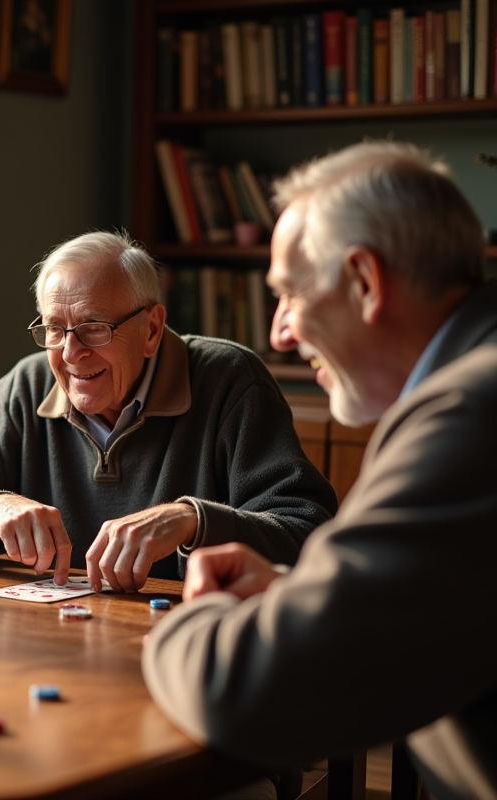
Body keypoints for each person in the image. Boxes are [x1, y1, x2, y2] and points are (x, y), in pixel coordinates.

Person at [142, 141, 497, 800]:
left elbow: (245, 694)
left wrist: (181, 623)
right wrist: (290, 593)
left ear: (365, 282)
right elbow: (434, 612)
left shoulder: (470, 412)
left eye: (289, 294)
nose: (278, 333)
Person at [0, 230, 337, 591]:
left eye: (94, 329)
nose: (70, 353)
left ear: (152, 329)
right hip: (51, 641)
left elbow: (310, 533)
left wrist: (190, 520)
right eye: (54, 329)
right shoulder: (26, 387)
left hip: (190, 639)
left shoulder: (230, 381)